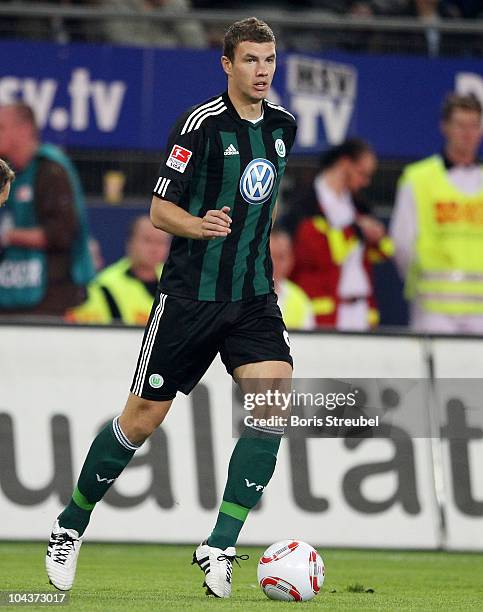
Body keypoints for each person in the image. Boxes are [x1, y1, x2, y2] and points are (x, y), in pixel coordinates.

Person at [46, 17, 297, 599]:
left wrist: (254, 258)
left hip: (253, 298)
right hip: (189, 299)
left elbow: (260, 207)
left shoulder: (283, 127)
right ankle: (70, 524)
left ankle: (220, 544)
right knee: (141, 420)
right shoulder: (201, 126)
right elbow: (161, 211)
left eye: (270, 60)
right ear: (227, 64)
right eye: (252, 60)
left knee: (275, 402)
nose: (263, 71)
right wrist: (201, 227)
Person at [390, 93, 483, 334]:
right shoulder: (418, 178)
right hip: (434, 307)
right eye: (461, 125)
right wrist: (423, 284)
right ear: (445, 127)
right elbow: (402, 242)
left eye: (474, 125)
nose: (468, 133)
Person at [0, 103, 94, 316]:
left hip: (50, 299)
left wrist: (8, 236)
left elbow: (61, 234)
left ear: (24, 129)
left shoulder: (50, 169)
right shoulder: (5, 171)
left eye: (1, 127)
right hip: (10, 295)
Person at [290, 139, 394, 330]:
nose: (366, 182)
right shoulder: (305, 204)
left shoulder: (359, 205)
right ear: (345, 163)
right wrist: (356, 230)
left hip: (362, 310)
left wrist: (377, 238)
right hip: (323, 310)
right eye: (362, 174)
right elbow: (313, 255)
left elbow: (385, 251)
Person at [67, 216, 170, 325]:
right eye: (147, 240)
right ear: (130, 243)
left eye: (161, 242)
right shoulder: (105, 284)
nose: (154, 248)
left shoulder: (175, 280)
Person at [270, 227, 315, 330]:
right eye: (270, 256)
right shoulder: (244, 296)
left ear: (291, 260)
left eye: (281, 257)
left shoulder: (300, 300)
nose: (274, 263)